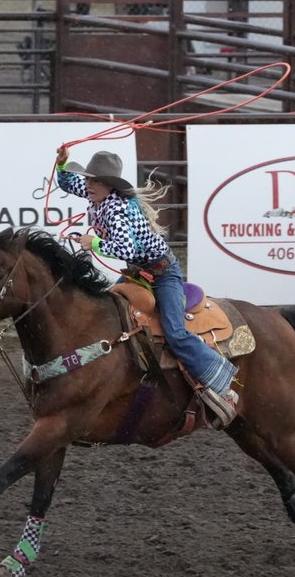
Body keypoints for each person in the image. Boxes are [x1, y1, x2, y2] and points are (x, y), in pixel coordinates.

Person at [54, 147, 239, 425]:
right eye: (88, 178)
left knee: (175, 332)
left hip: (163, 274)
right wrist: (62, 165)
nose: (89, 184)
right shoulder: (97, 194)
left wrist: (94, 243)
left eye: (95, 180)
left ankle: (222, 383)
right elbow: (69, 183)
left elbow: (126, 249)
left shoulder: (116, 209)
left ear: (109, 185)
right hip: (138, 273)